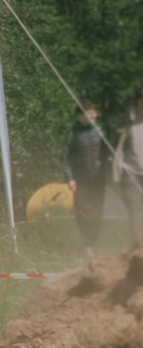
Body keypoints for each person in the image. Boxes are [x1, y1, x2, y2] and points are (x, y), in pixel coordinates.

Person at [65, 101, 112, 256]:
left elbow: (109, 153)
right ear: (81, 115)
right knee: (83, 213)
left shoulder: (101, 131)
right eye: (88, 113)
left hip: (99, 179)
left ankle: (93, 242)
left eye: (94, 112)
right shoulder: (72, 132)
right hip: (80, 181)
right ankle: (87, 244)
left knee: (97, 212)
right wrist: (70, 178)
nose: (92, 116)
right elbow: (64, 158)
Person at [114, 94, 143, 250]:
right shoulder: (126, 120)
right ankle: (138, 246)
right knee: (135, 209)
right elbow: (116, 144)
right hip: (131, 172)